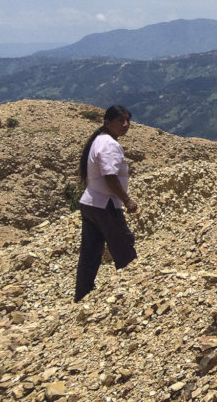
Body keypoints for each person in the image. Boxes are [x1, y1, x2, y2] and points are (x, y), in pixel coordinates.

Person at [75, 105, 138, 302]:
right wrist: (127, 200)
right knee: (124, 248)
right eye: (120, 121)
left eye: (127, 120)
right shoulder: (109, 144)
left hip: (90, 202)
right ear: (107, 122)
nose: (125, 125)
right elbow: (110, 177)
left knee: (91, 251)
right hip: (105, 205)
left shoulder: (98, 140)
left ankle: (82, 294)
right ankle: (132, 292)